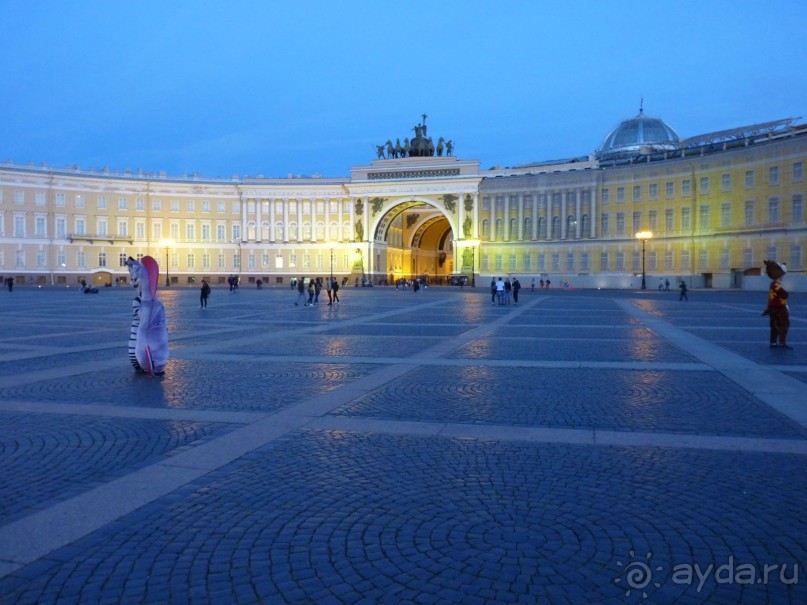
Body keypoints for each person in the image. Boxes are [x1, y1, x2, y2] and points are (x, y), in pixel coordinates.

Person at [762, 260, 791, 349]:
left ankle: (773, 342)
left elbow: (771, 297)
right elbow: (783, 294)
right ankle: (782, 342)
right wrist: (786, 293)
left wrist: (768, 308)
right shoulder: (775, 284)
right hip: (779, 307)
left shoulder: (773, 283)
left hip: (773, 307)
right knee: (783, 324)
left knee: (774, 325)